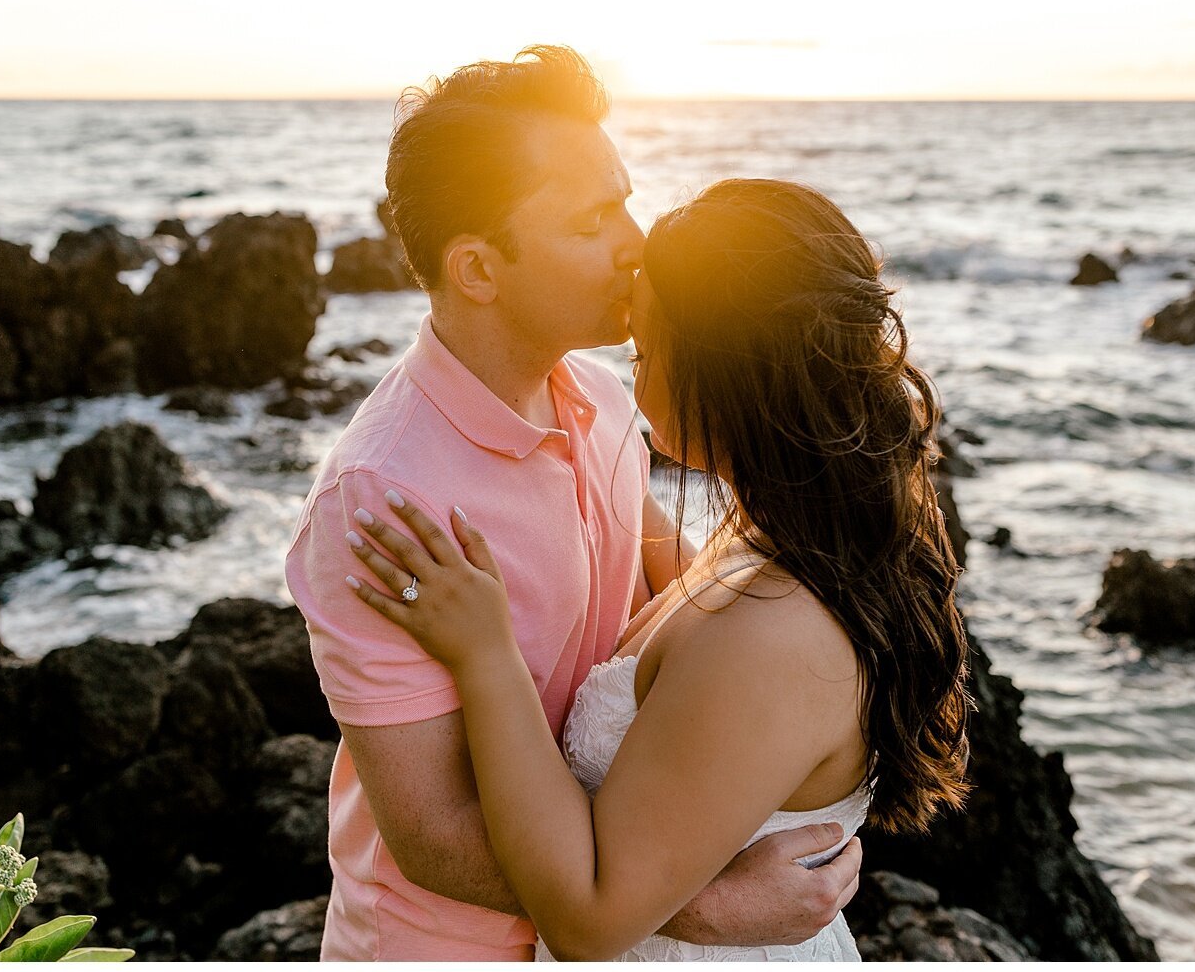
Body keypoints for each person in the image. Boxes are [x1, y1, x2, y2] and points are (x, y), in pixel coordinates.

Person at [284, 47, 864, 962]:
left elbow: (681, 597)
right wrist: (708, 908)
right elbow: (430, 831)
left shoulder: (599, 398)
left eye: (626, 201)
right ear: (478, 269)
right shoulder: (384, 500)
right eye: (596, 220)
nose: (636, 242)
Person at [345, 177, 973, 960]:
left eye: (646, 350)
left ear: (723, 370)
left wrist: (486, 653)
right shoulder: (773, 539)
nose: (631, 378)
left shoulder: (774, 630)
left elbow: (588, 921)